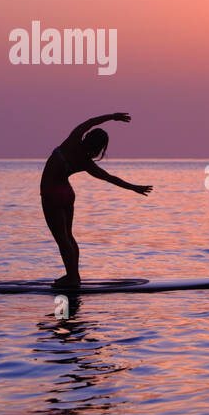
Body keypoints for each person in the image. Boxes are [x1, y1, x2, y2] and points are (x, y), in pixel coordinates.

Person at [39, 112, 153, 288]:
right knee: (68, 236)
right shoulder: (86, 162)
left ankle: (72, 278)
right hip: (67, 194)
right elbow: (110, 178)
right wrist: (134, 188)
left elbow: (90, 121)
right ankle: (73, 275)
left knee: (62, 239)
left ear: (88, 137)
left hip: (52, 193)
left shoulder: (73, 140)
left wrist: (113, 116)